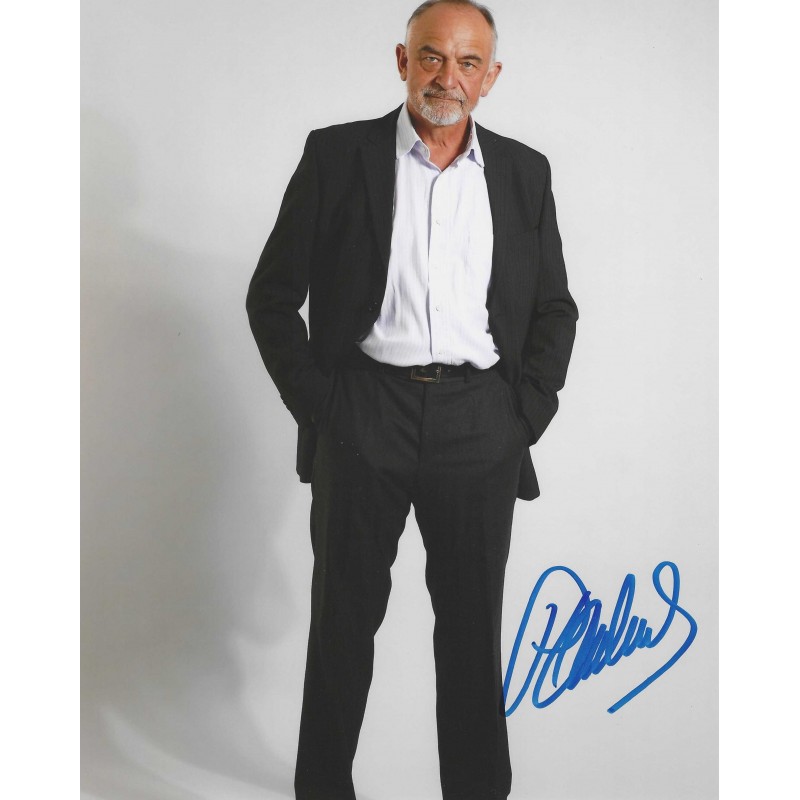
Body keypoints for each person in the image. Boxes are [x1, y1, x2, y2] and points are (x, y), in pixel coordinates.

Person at [246, 1, 578, 797]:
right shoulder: (337, 157)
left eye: (468, 62)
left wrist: (522, 416)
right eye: (432, 56)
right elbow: (272, 297)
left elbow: (554, 309)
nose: (447, 77)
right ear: (403, 61)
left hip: (480, 423)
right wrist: (323, 408)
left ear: (491, 77)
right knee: (342, 624)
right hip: (364, 415)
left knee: (472, 633)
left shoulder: (525, 173)